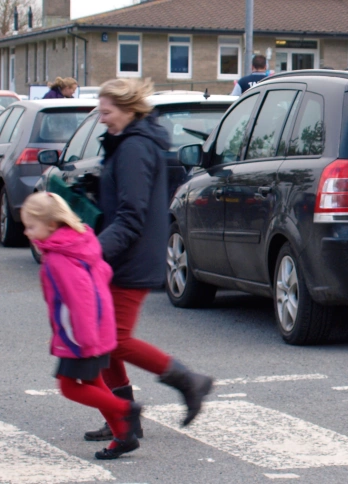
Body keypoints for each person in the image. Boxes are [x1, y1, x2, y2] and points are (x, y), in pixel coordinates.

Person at [82, 78, 213, 442]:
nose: (101, 118)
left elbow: (131, 214)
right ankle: (123, 417)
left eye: (106, 112)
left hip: (130, 257)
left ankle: (189, 381)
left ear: (128, 109)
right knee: (102, 339)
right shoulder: (127, 142)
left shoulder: (134, 147)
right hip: (121, 254)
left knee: (113, 340)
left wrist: (91, 253)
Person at [22, 192, 142, 460]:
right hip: (92, 329)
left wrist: (84, 337)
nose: (27, 232)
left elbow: (80, 298)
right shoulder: (78, 244)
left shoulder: (59, 257)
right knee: (93, 381)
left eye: (31, 226)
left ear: (51, 225)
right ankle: (124, 436)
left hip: (81, 335)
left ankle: (126, 410)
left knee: (68, 386)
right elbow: (103, 273)